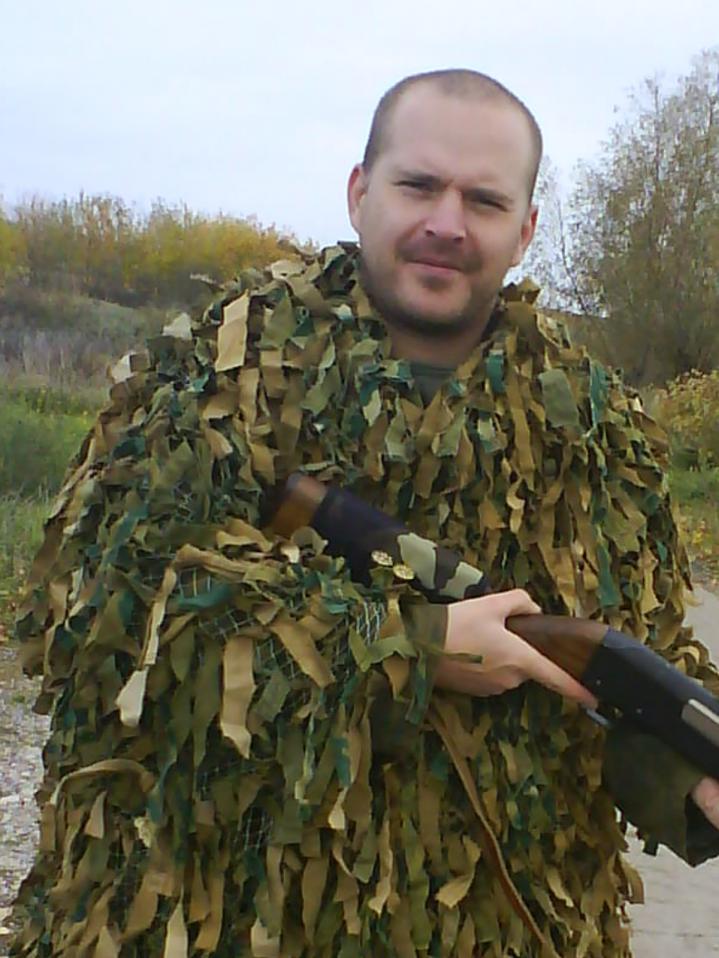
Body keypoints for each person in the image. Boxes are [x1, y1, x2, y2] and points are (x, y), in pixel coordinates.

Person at [10, 69, 719, 957]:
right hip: (227, 919)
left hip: (503, 928)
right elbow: (102, 630)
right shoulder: (211, 371)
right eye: (418, 185)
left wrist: (689, 781)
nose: (447, 223)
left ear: (526, 230)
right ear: (358, 193)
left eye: (484, 200)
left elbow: (629, 670)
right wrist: (413, 647)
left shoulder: (598, 423)